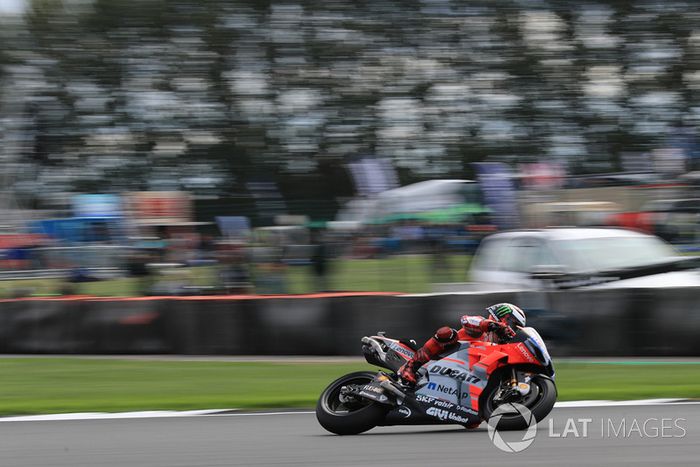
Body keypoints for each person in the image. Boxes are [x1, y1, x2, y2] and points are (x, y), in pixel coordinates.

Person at [398, 303, 526, 385]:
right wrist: (489, 325)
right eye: (513, 324)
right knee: (447, 333)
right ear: (503, 316)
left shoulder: (498, 348)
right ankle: (410, 367)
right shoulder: (482, 325)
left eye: (517, 328)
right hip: (438, 360)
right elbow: (465, 319)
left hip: (457, 379)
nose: (513, 330)